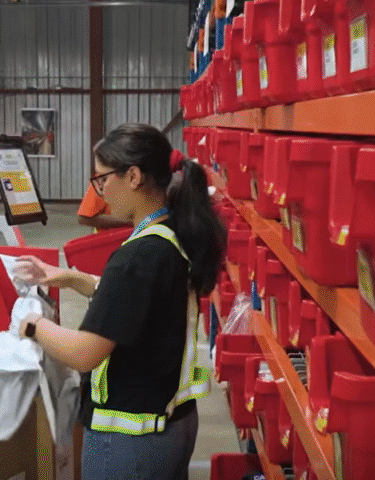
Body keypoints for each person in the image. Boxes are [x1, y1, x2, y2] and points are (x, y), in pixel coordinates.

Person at [14, 123, 226, 480]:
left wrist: (34, 325)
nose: (99, 191)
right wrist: (70, 277)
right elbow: (142, 298)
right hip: (173, 426)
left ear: (133, 176)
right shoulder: (172, 232)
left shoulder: (138, 256)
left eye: (102, 179)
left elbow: (85, 353)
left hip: (131, 441)